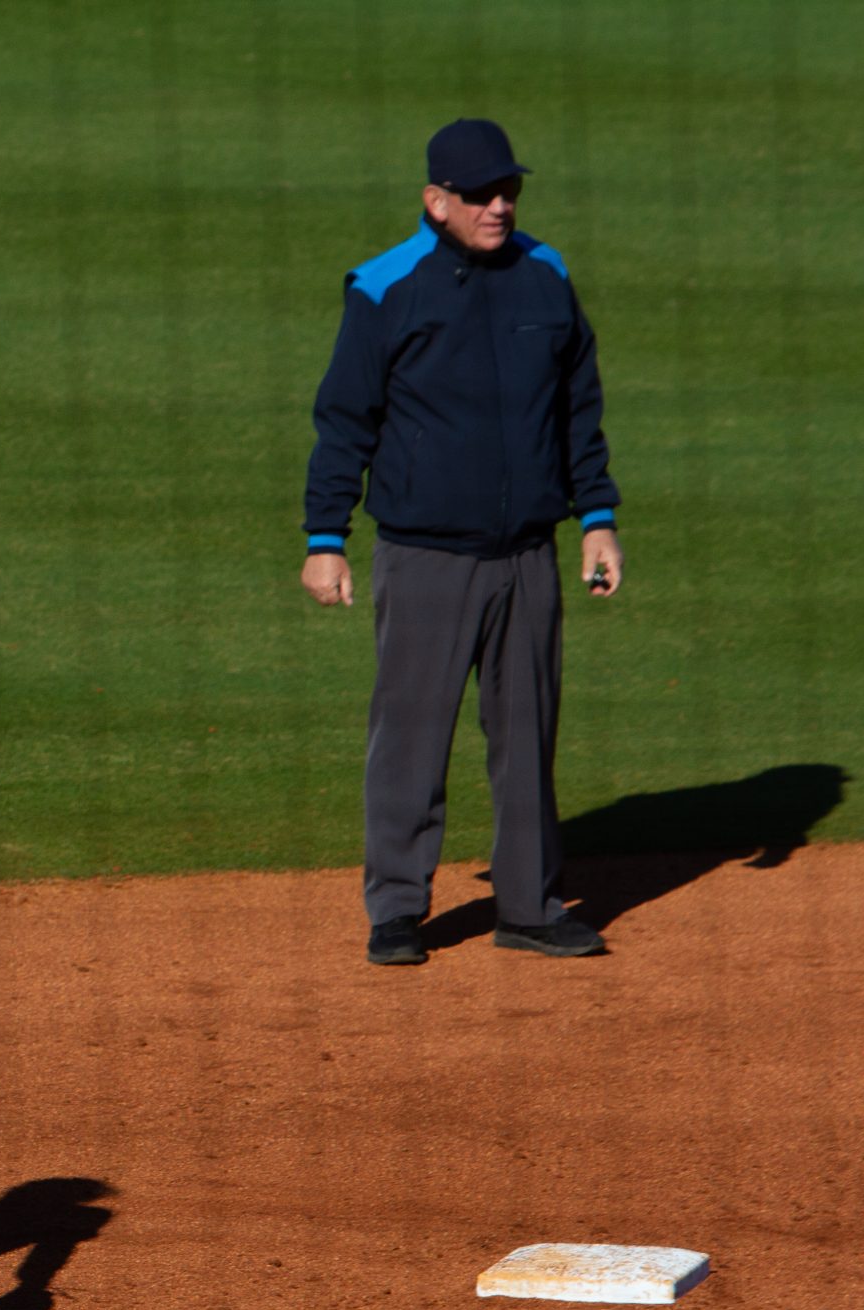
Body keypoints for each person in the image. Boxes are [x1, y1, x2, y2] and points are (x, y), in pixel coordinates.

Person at [301, 118, 626, 966]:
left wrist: (598, 519)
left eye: (509, 189)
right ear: (434, 200)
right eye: (481, 193)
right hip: (426, 556)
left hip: (527, 553)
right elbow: (344, 419)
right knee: (410, 734)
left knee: (528, 734)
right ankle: (398, 911)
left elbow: (577, 410)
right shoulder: (385, 287)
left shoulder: (545, 278)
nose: (500, 205)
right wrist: (325, 536)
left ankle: (529, 904)